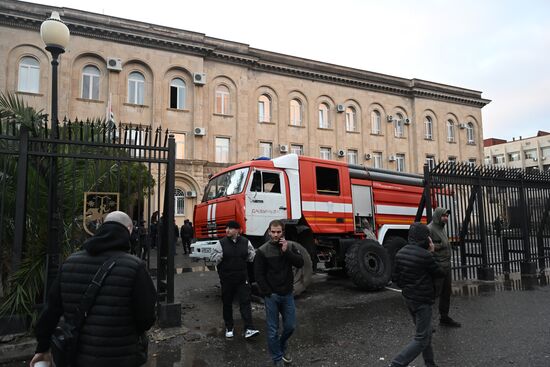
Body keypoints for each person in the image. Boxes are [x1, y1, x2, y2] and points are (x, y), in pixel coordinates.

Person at [30, 211, 157, 367]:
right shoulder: (135, 267)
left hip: (77, 356)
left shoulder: (70, 262)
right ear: (129, 229)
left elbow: (50, 311)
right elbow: (146, 317)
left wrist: (42, 348)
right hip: (121, 356)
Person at [390, 222, 445, 367]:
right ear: (425, 238)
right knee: (421, 338)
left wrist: (408, 287)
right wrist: (432, 252)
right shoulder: (425, 256)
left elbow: (396, 278)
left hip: (409, 299)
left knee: (425, 333)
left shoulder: (400, 253)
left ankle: (430, 363)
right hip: (422, 300)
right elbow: (440, 272)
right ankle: (397, 363)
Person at [254, 219, 304, 366]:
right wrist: (268, 292)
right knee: (272, 330)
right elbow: (258, 275)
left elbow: (300, 263)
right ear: (269, 232)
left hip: (287, 294)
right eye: (273, 232)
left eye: (278, 232)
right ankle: (277, 359)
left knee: (290, 326)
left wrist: (286, 251)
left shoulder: (290, 246)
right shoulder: (262, 251)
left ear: (283, 232)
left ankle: (281, 346)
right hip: (272, 296)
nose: (275, 235)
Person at [210, 220, 259, 339]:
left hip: (242, 278)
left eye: (230, 228)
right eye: (226, 228)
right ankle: (229, 327)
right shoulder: (221, 243)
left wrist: (252, 255)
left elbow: (252, 255)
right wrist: (220, 256)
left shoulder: (245, 242)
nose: (227, 230)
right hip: (227, 279)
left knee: (245, 302)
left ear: (237, 230)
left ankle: (249, 328)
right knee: (227, 303)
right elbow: (212, 257)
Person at [428, 207, 461, 327]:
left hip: (447, 265)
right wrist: (440, 245)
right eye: (444, 216)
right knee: (434, 294)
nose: (446, 218)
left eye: (447, 216)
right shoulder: (430, 229)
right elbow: (427, 246)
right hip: (438, 266)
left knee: (446, 292)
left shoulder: (442, 228)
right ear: (437, 216)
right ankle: (426, 323)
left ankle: (444, 317)